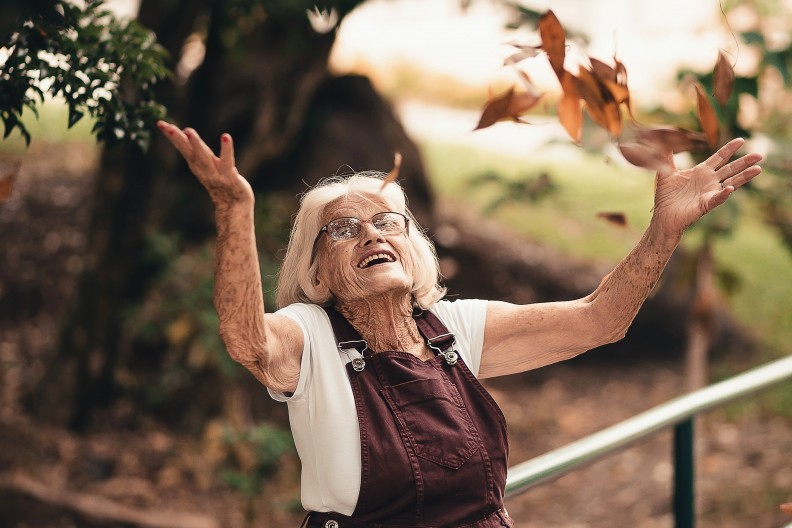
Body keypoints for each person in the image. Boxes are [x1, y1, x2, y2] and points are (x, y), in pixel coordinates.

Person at [157, 120, 762, 528]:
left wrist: (664, 230)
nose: (371, 234)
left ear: (412, 245)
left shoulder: (455, 328)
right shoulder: (309, 336)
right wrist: (235, 210)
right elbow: (246, 339)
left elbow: (598, 321)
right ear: (317, 268)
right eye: (342, 230)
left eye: (387, 222)